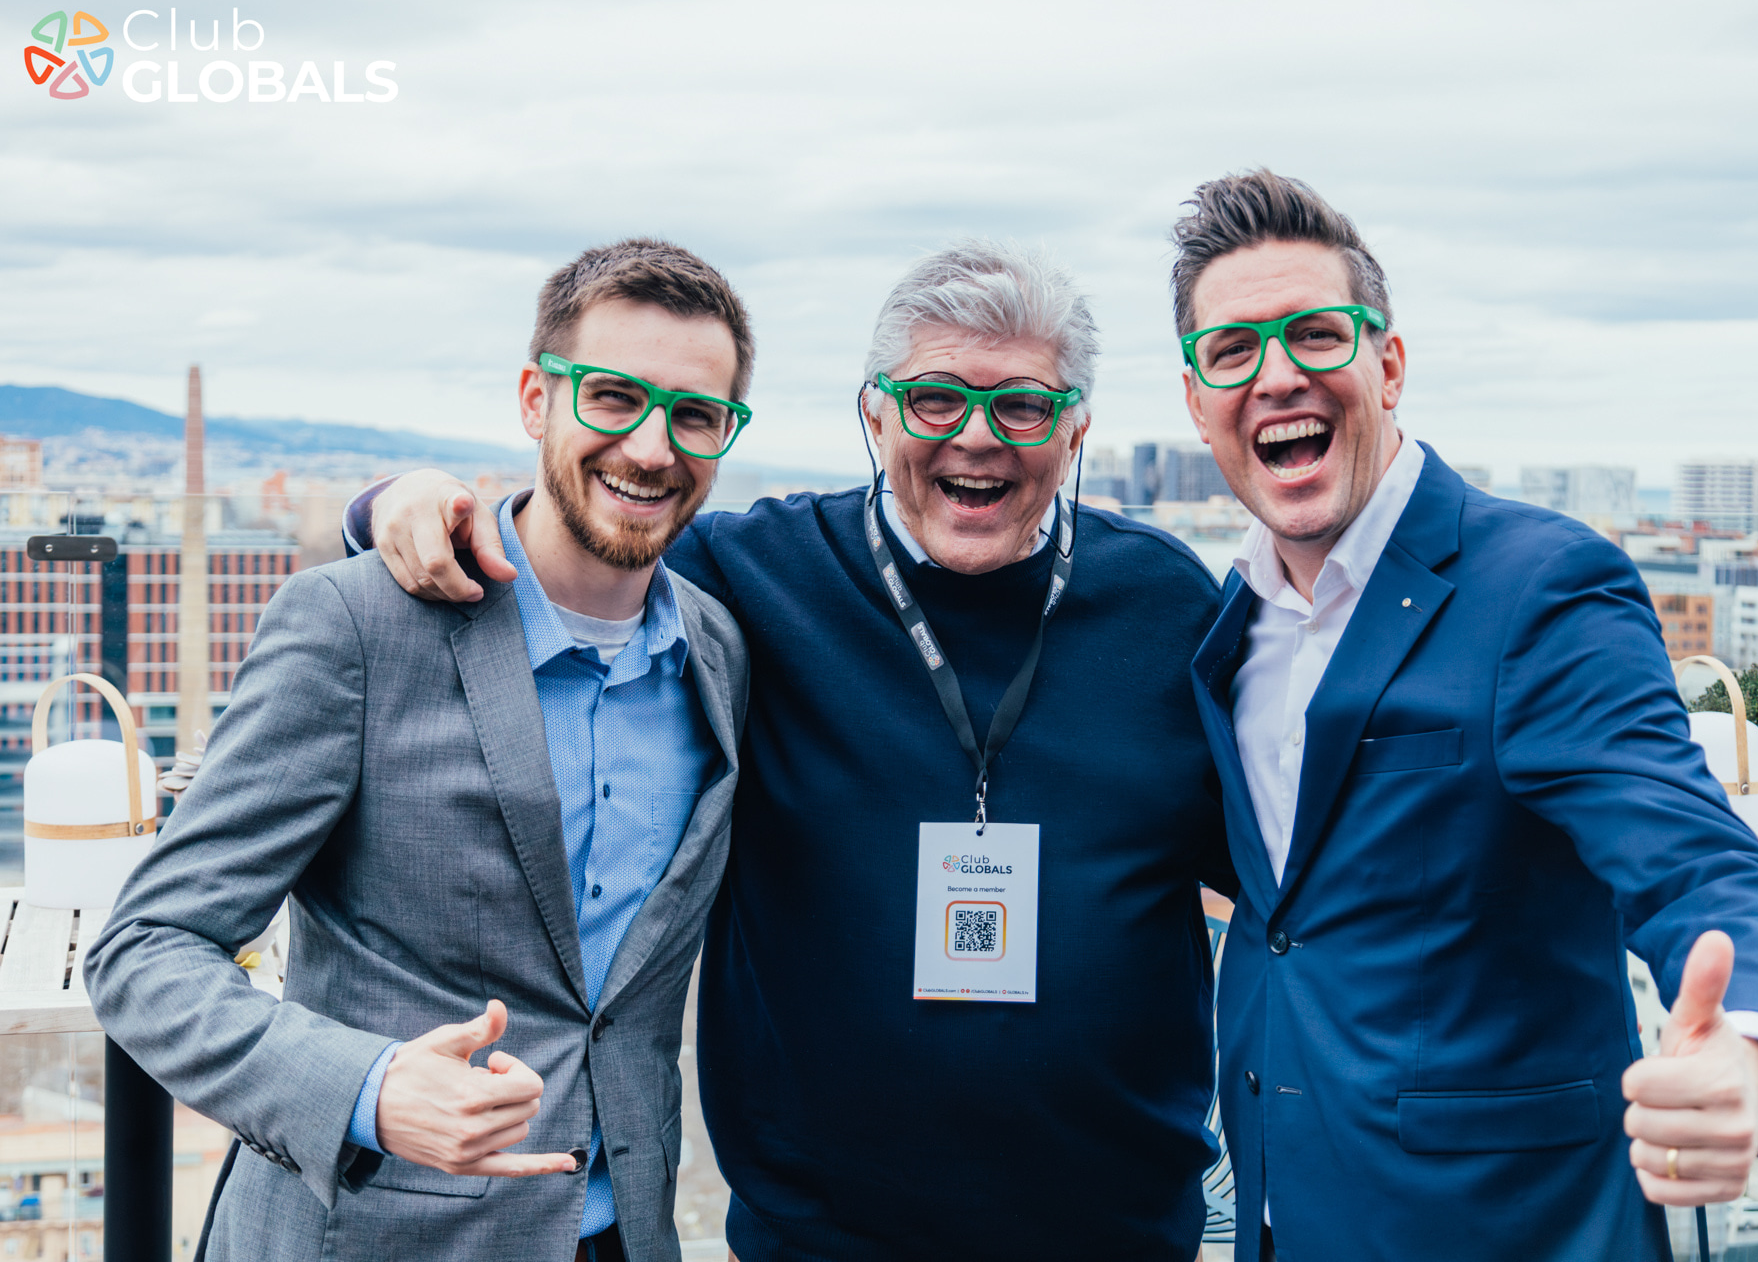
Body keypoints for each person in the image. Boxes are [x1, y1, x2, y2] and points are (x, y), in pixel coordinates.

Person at [350, 241, 1239, 1260]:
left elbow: (1269, 869)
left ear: (1076, 427)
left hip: (1118, 1231)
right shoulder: (748, 576)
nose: (977, 437)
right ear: (875, 415)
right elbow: (566, 546)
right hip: (817, 1235)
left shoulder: (1168, 601)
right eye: (935, 400)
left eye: (1024, 407)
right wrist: (393, 500)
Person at [1173, 170, 1758, 1261]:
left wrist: (1753, 1053)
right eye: (1233, 350)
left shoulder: (1541, 587)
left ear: (1388, 364)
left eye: (1316, 334)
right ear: (1198, 403)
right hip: (1282, 1216)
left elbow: (1696, 864)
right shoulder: (1231, 618)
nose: (1277, 373)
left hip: (1503, 1228)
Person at [85, 238, 755, 1262]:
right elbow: (145, 949)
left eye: (696, 414)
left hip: (624, 1232)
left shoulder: (717, 652)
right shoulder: (359, 626)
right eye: (614, 397)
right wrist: (369, 1087)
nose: (654, 447)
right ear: (536, 399)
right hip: (369, 1233)